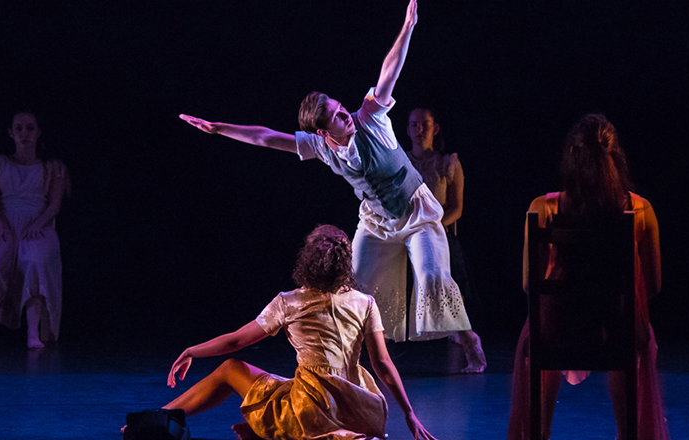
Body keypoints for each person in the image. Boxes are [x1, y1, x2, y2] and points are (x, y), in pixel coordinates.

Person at [178, 0, 484, 372]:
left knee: (433, 276)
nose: (345, 114)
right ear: (324, 131)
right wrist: (219, 128)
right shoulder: (319, 146)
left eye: (342, 107)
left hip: (416, 211)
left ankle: (468, 339)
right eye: (338, 116)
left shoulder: (370, 117)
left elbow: (389, 74)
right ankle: (347, 357)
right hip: (376, 221)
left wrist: (408, 28)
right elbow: (267, 138)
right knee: (349, 287)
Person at [150, 225, 438, 440]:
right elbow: (383, 364)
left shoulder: (289, 302)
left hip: (309, 408)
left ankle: (156, 421)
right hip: (359, 410)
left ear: (307, 261)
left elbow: (236, 341)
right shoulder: (365, 304)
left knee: (231, 369)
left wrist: (191, 351)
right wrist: (408, 413)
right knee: (283, 384)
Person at [508, 114, 668, 440]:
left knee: (538, 334)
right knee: (635, 337)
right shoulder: (640, 211)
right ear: (616, 154)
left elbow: (529, 284)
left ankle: (538, 433)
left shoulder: (542, 208)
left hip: (557, 331)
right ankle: (628, 433)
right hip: (615, 329)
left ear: (571, 154)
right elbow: (653, 285)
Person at [0, 111, 69, 349]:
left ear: (38, 132)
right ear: (11, 133)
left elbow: (55, 205)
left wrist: (37, 224)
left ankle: (33, 333)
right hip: (3, 223)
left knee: (34, 260)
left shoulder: (52, 167)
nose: (24, 134)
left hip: (37, 225)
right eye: (19, 128)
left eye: (30, 128)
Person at [405, 107, 485, 372]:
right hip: (404, 230)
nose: (419, 130)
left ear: (434, 128)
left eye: (424, 125)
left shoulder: (447, 163)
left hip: (437, 232)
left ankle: (466, 337)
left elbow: (456, 209)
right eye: (414, 125)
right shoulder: (402, 162)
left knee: (437, 277)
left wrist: (431, 225)